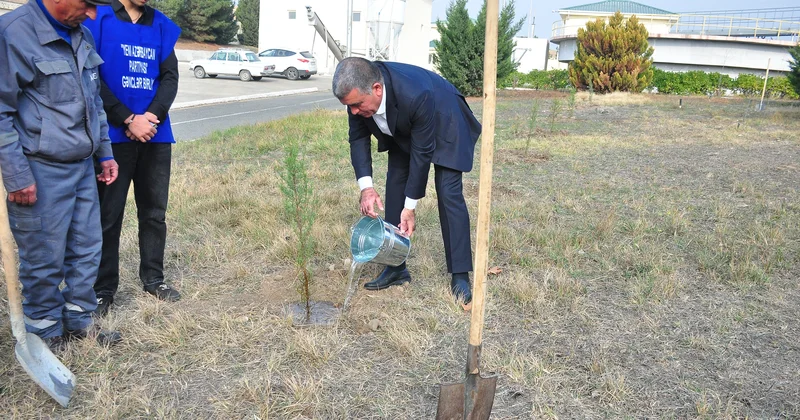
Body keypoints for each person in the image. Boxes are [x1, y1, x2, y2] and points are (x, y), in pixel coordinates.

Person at [0, 0, 122, 350]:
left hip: (83, 166)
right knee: (44, 257)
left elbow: (94, 101)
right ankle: (45, 333)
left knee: (87, 249)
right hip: (39, 168)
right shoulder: (13, 34)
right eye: (88, 3)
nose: (94, 14)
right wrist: (17, 175)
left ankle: (80, 322)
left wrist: (104, 152)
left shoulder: (81, 34)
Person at [332, 57, 482, 305]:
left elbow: (422, 154)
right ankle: (396, 267)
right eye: (350, 107)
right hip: (404, 122)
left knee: (448, 192)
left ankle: (460, 274)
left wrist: (410, 207)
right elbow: (357, 139)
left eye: (358, 105)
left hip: (447, 119)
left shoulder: (415, 93)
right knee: (395, 184)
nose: (355, 112)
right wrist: (366, 188)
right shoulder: (357, 97)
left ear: (377, 89)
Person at [83, 0, 181, 317]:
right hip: (112, 137)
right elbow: (92, 76)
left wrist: (151, 117)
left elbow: (170, 78)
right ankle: (102, 290)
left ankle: (154, 279)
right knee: (107, 216)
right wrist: (127, 118)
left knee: (154, 212)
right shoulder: (98, 17)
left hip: (155, 134)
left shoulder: (162, 24)